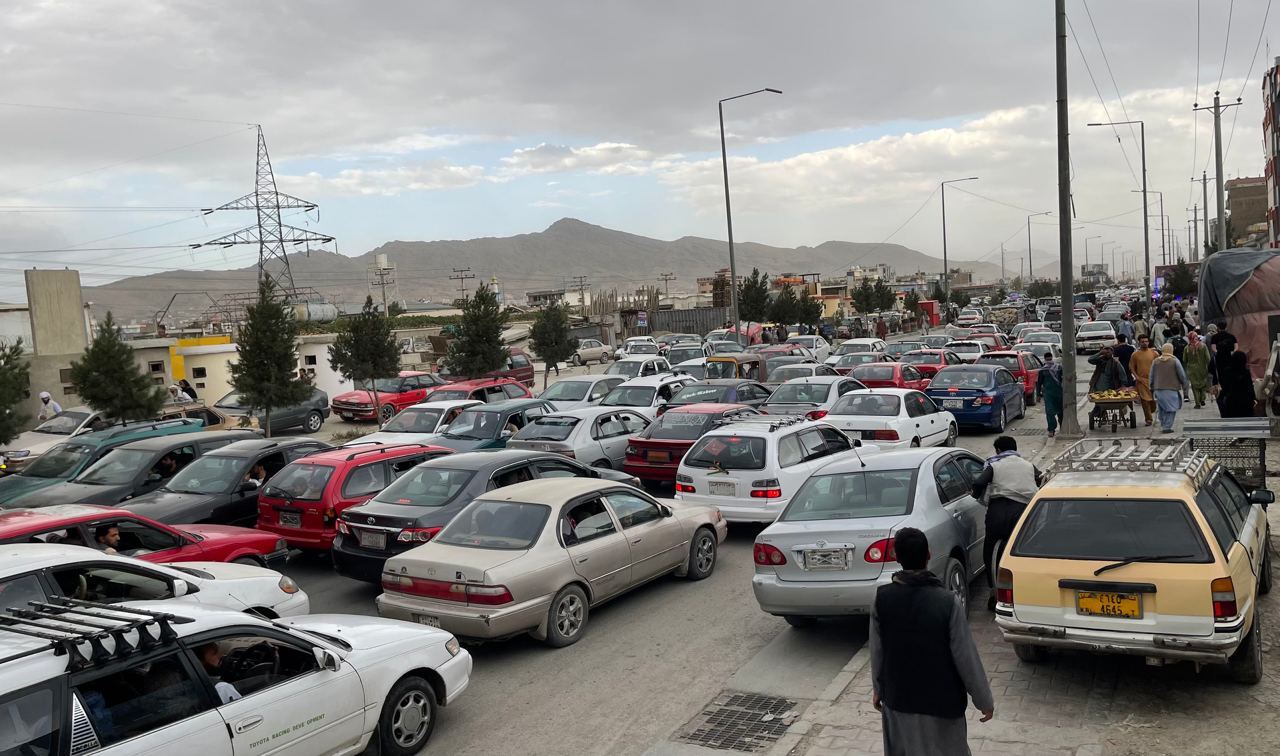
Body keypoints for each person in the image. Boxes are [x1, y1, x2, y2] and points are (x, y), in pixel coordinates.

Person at [870, 527, 993, 756]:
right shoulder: (947, 602)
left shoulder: (881, 599)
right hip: (943, 705)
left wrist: (878, 688)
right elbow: (965, 657)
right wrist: (983, 699)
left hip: (899, 702)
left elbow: (878, 651)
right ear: (928, 554)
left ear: (896, 556)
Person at [971, 436, 1044, 611]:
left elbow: (979, 482)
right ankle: (1024, 591)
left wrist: (975, 495)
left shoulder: (994, 465)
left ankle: (992, 592)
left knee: (990, 550)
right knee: (1021, 550)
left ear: (998, 451)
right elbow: (1041, 478)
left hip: (997, 511)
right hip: (1021, 513)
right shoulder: (1027, 465)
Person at [1149, 343, 1190, 433]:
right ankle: (1166, 427)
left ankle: (1164, 424)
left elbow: (1151, 375)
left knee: (1162, 408)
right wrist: (1184, 385)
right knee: (1171, 408)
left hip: (1158, 389)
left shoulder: (1155, 361)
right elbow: (1182, 375)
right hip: (1171, 389)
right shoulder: (1175, 361)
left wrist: (1151, 387)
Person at [1129, 334, 1158, 427]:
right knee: (1145, 400)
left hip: (1153, 380)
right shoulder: (1135, 354)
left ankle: (1151, 411)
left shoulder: (1154, 353)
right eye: (1142, 342)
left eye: (1146, 341)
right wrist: (1136, 376)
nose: (1145, 343)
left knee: (1152, 401)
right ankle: (1148, 419)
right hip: (1141, 381)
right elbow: (1131, 367)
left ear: (1148, 342)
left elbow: (1158, 366)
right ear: (1139, 342)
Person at [1219, 350, 1257, 418]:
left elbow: (1225, 387)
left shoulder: (1227, 372)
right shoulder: (1246, 373)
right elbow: (1249, 388)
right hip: (1245, 404)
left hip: (1231, 404)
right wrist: (1253, 399)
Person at [1036, 352, 1064, 437]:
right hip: (1048, 394)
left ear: (1052, 358)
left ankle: (1063, 427)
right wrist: (1038, 395)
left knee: (1061, 411)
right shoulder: (1042, 370)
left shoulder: (1059, 368)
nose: (1049, 361)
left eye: (1050, 359)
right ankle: (1051, 429)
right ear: (1045, 360)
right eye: (1047, 360)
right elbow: (1039, 383)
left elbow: (1064, 379)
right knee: (1050, 411)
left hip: (1059, 392)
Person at [1183, 330, 1212, 409]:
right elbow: (1208, 358)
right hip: (1202, 368)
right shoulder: (1203, 346)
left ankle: (1197, 403)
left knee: (1194, 386)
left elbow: (1184, 360)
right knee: (1203, 385)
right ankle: (1202, 398)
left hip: (1192, 370)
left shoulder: (1187, 348)